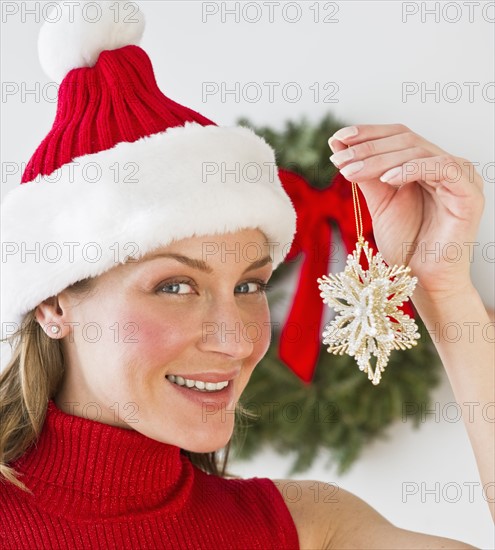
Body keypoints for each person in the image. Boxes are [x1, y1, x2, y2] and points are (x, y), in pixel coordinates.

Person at [0, 2, 492, 549]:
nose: (236, 339)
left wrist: (444, 292)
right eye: (175, 287)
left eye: (248, 286)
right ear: (53, 302)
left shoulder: (307, 526)